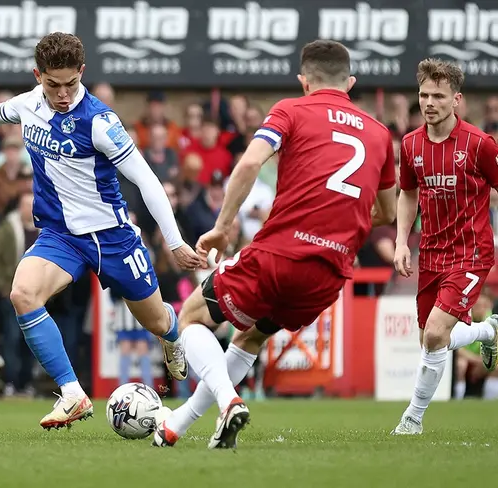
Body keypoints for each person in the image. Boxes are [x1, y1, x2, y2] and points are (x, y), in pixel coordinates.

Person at [0, 32, 201, 430]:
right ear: (38, 76)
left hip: (111, 237)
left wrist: (174, 242)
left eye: (71, 83)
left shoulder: (100, 122)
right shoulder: (29, 104)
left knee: (155, 321)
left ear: (82, 72)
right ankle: (72, 394)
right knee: (22, 294)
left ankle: (172, 334)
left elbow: (147, 180)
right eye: (53, 85)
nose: (63, 94)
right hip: (60, 236)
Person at [152, 39, 398, 449]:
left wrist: (222, 227)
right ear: (350, 83)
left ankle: (229, 402)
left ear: (304, 82)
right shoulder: (379, 133)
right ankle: (177, 423)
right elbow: (387, 213)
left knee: (190, 318)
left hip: (281, 253)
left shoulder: (291, 110)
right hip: (328, 275)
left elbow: (250, 161)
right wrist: (340, 224)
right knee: (249, 338)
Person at [391, 59, 498, 435]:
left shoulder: (479, 144)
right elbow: (407, 193)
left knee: (436, 334)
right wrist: (401, 242)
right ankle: (487, 332)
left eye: (438, 96)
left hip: (472, 252)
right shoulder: (410, 144)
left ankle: (412, 419)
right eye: (424, 95)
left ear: (457, 99)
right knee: (429, 340)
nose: (429, 103)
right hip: (432, 253)